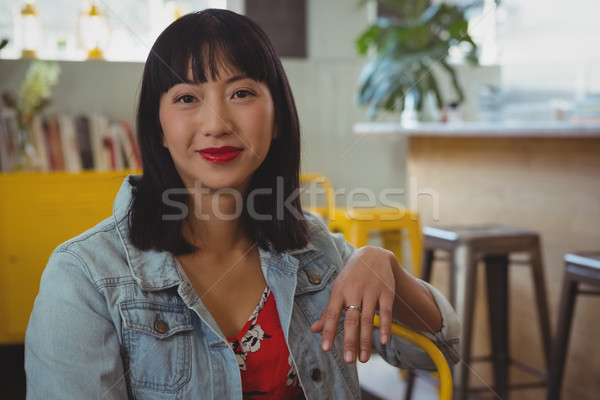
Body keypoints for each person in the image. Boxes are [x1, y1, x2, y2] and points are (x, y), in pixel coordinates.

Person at [25, 9, 460, 400]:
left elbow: (442, 351)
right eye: (186, 98)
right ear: (156, 127)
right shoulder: (83, 278)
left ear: (277, 120)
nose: (216, 124)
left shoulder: (315, 253)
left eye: (241, 93)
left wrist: (383, 265)